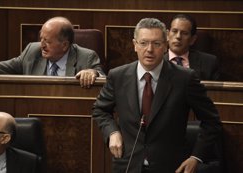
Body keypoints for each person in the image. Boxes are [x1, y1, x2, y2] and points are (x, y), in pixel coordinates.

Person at [92, 18, 222, 173]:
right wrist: (112, 132)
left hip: (171, 166)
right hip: (128, 165)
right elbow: (100, 110)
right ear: (135, 45)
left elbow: (212, 121)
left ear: (166, 45)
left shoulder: (185, 79)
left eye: (156, 43)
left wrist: (196, 157)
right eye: (143, 43)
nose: (149, 49)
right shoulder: (118, 76)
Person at [0, 16, 105, 88]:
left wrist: (93, 72)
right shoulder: (32, 51)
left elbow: (103, 79)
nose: (42, 45)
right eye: (41, 38)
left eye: (47, 41)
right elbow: (2, 67)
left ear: (64, 45)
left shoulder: (86, 57)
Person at [165, 14, 220, 80]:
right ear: (167, 35)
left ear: (192, 39)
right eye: (174, 31)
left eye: (184, 33)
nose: (178, 36)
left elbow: (215, 89)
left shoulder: (209, 63)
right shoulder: (155, 60)